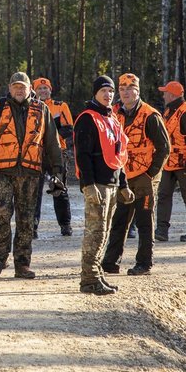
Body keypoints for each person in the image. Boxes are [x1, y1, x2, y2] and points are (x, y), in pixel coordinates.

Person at [0, 71, 65, 279]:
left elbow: (52, 142)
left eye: (22, 87)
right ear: (9, 88)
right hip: (3, 171)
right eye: (15, 87)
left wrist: (57, 171)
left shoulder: (42, 110)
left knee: (26, 219)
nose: (19, 90)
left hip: (31, 173)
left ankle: (22, 264)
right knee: (2, 213)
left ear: (29, 89)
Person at [100, 73, 170, 276]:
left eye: (130, 88)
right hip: (123, 176)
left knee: (144, 221)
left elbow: (164, 148)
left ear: (137, 91)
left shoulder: (150, 115)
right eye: (122, 89)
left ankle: (144, 263)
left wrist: (150, 174)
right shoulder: (114, 113)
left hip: (144, 177)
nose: (126, 92)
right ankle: (111, 262)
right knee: (119, 220)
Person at [73, 75, 128, 295]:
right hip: (97, 184)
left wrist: (123, 184)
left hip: (112, 184)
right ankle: (89, 279)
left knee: (104, 232)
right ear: (95, 93)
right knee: (94, 232)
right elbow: (82, 156)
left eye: (111, 91)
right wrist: (88, 185)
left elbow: (120, 155)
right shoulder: (88, 119)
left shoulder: (112, 119)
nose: (108, 95)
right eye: (104, 91)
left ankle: (97, 275)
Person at [155, 80, 186, 242]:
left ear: (171, 95)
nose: (163, 95)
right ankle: (161, 231)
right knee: (163, 195)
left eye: (164, 93)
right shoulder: (170, 110)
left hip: (184, 164)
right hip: (169, 162)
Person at [31, 77, 74, 237]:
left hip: (57, 153)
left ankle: (65, 224)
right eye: (39, 88)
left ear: (50, 90)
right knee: (34, 191)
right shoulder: (30, 108)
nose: (43, 91)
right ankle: (33, 227)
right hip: (35, 154)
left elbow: (69, 128)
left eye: (45, 88)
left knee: (59, 189)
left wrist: (52, 138)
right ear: (34, 91)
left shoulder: (60, 106)